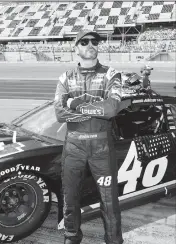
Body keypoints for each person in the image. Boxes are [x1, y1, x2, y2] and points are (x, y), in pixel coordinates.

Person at [54, 29, 135, 244]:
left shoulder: (111, 74)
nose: (91, 44)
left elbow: (111, 109)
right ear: (76, 47)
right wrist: (94, 107)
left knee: (109, 201)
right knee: (70, 199)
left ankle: (114, 240)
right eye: (84, 42)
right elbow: (60, 114)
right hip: (73, 148)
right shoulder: (65, 77)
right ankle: (71, 237)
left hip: (102, 148)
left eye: (95, 41)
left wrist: (76, 104)